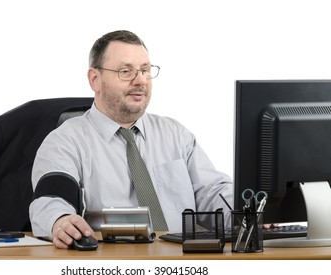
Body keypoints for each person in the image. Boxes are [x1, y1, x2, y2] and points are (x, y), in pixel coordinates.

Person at [29, 30, 233, 249]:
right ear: (95, 79)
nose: (141, 81)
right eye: (126, 71)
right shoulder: (65, 141)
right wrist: (60, 220)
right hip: (110, 263)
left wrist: (252, 212)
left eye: (145, 70)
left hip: (181, 259)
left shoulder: (176, 134)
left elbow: (213, 192)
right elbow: (50, 200)